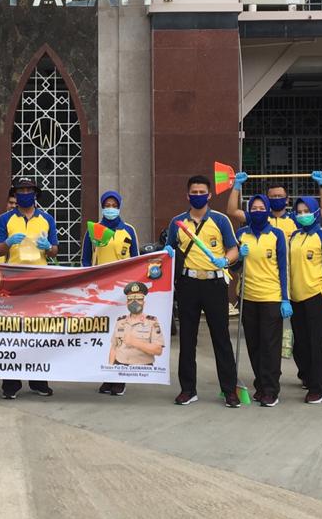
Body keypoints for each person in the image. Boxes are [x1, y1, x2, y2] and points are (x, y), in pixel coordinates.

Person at [164, 174, 241, 407]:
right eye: (193, 193)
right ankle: (188, 389)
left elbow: (233, 250)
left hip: (214, 284)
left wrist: (225, 262)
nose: (198, 196)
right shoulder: (177, 222)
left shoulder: (220, 220)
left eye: (202, 193)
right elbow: (169, 249)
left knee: (222, 339)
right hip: (188, 285)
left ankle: (229, 390)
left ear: (209, 195)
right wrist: (167, 254)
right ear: (187, 195)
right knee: (187, 339)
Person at [0, 176, 59, 398]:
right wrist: (9, 242)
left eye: (28, 189)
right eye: (20, 190)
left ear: (35, 193)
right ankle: (11, 384)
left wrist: (48, 247)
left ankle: (38, 381)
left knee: (38, 332)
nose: (24, 193)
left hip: (40, 280)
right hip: (13, 281)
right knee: (11, 332)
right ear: (15, 193)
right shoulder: (5, 220)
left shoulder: (47, 219)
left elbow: (55, 251)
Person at [83, 190, 141, 395]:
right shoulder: (94, 230)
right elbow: (86, 260)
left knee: (122, 335)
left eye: (113, 205)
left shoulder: (128, 230)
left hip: (122, 292)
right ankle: (107, 376)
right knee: (104, 334)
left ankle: (120, 379)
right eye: (106, 205)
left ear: (119, 206)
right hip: (101, 291)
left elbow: (137, 260)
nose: (110, 208)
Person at [236, 194, 291, 406]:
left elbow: (284, 268)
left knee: (270, 345)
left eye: (261, 207)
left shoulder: (277, 235)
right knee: (253, 343)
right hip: (247, 297)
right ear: (248, 211)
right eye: (254, 208)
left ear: (267, 210)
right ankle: (260, 384)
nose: (257, 211)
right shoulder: (242, 234)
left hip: (271, 297)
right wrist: (239, 256)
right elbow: (232, 267)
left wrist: (285, 299)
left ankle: (271, 389)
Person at [288, 196, 322, 404]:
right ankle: (307, 377)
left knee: (315, 342)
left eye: (306, 210)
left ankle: (320, 386)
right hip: (295, 296)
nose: (302, 215)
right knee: (300, 342)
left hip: (316, 295)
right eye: (298, 212)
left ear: (315, 211)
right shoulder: (294, 237)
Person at [228, 170, 322, 239]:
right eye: (273, 197)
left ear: (287, 200)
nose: (276, 199)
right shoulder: (259, 217)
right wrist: (237, 186)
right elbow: (232, 211)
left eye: (279, 196)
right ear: (267, 200)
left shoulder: (296, 218)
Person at [108, 281, 164, 372]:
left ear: (144, 303)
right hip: (120, 366)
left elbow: (158, 350)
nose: (135, 302)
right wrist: (110, 371)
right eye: (131, 299)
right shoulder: (120, 322)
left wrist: (134, 342)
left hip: (142, 370)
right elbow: (114, 348)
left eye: (138, 298)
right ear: (127, 303)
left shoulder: (152, 322)